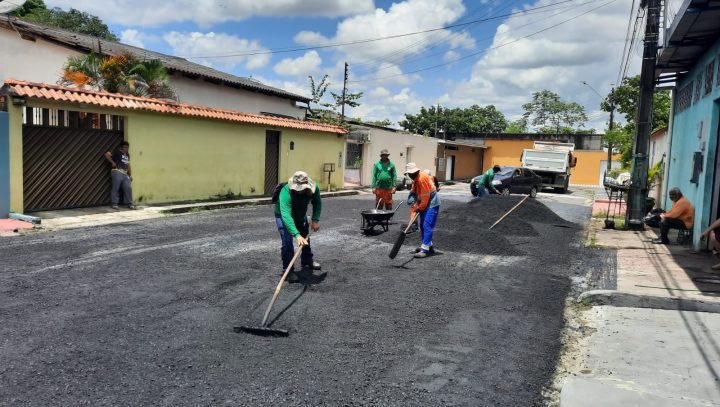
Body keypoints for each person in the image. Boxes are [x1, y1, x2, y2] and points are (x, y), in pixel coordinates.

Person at [274, 171, 322, 283]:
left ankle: (307, 260)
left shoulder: (314, 189)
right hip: (283, 215)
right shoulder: (286, 192)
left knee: (305, 236)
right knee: (287, 241)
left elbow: (317, 203)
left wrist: (315, 219)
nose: (299, 190)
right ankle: (288, 270)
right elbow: (286, 215)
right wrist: (296, 234)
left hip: (300, 214)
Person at [406, 162, 440, 258]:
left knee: (427, 225)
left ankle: (424, 250)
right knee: (422, 225)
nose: (410, 175)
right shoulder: (416, 179)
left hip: (432, 203)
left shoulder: (421, 179)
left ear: (415, 172)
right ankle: (429, 246)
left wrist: (419, 208)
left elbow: (425, 198)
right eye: (409, 174)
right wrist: (413, 200)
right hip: (425, 202)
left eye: (411, 173)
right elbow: (414, 191)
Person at [104, 141, 135, 210]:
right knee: (116, 187)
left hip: (125, 173)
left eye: (127, 147)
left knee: (128, 188)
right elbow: (107, 154)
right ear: (121, 147)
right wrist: (112, 162)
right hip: (117, 171)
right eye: (125, 147)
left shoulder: (127, 155)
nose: (126, 149)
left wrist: (130, 175)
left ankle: (130, 204)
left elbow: (128, 165)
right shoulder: (117, 152)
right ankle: (114, 204)